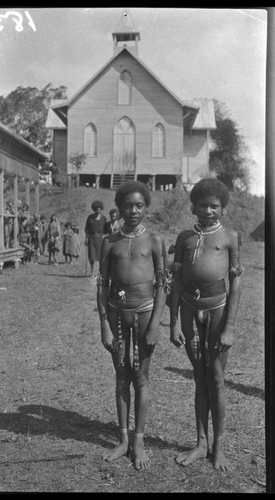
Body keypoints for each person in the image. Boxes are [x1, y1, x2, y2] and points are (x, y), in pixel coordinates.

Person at [168, 178, 243, 472]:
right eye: (203, 205)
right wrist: (173, 322)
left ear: (223, 209)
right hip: (188, 308)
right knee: (199, 378)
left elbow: (236, 286)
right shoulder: (184, 238)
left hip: (218, 310)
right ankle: (201, 443)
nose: (209, 210)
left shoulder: (230, 238)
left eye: (214, 206)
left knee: (217, 378)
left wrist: (230, 327)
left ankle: (219, 447)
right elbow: (176, 282)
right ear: (193, 207)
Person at [97, 180, 171, 471]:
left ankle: (139, 440)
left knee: (141, 377)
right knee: (121, 377)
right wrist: (104, 324)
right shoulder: (110, 242)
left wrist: (156, 324)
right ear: (119, 207)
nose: (133, 210)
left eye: (139, 205)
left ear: (146, 208)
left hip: (144, 313)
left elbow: (164, 284)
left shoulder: (154, 241)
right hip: (116, 314)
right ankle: (124, 439)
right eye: (128, 205)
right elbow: (102, 285)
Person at [84, 200, 106, 277]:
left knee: (101, 257)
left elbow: (106, 230)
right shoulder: (90, 218)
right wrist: (86, 238)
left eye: (99, 209)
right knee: (91, 257)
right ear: (94, 209)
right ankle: (92, 272)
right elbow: (86, 229)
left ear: (101, 209)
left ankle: (100, 272)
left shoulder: (103, 218)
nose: (98, 211)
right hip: (92, 239)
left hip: (100, 239)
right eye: (96, 209)